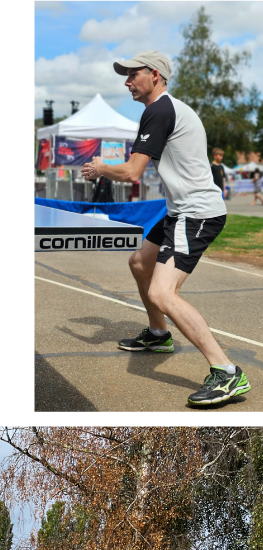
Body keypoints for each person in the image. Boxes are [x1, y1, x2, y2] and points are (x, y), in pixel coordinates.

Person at [82, 52, 249, 409]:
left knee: (162, 292)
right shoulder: (162, 109)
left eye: (132, 75)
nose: (126, 82)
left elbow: (131, 172)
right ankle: (159, 334)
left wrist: (101, 167)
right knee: (139, 263)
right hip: (180, 212)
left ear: (154, 75)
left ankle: (227, 371)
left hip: (196, 213)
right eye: (124, 76)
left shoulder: (160, 110)